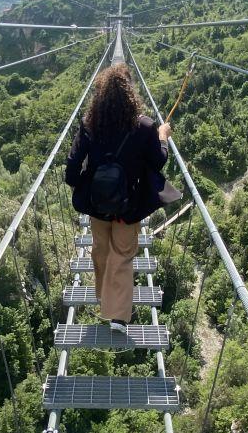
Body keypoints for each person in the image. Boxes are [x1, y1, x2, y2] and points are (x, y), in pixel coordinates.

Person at [65, 65, 172, 333]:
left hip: (98, 206)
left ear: (100, 95)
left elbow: (71, 170)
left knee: (101, 252)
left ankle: (104, 298)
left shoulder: (89, 125)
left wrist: (86, 186)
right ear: (130, 94)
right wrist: (163, 137)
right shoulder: (145, 126)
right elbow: (158, 161)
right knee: (122, 255)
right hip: (128, 205)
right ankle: (118, 317)